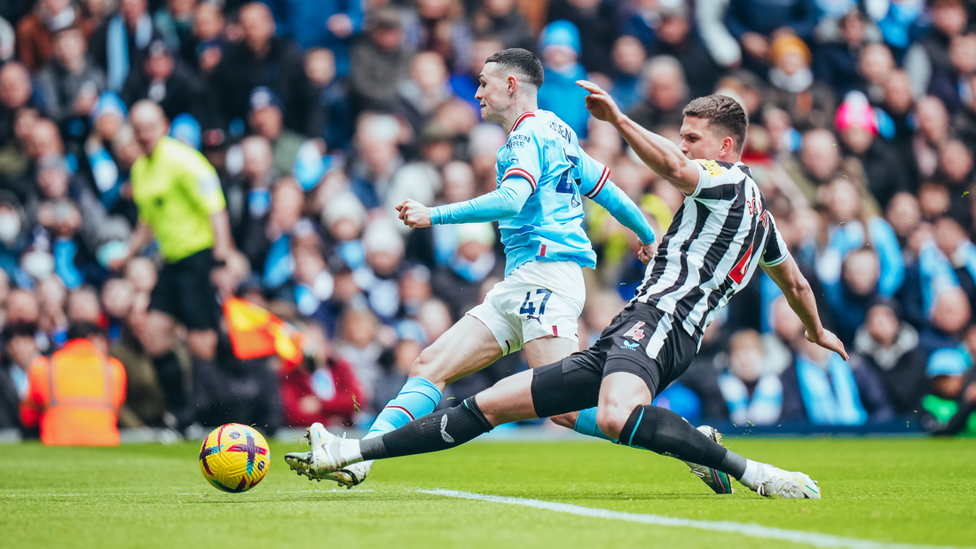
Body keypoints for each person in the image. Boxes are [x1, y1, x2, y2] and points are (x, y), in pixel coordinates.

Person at [287, 87, 849, 499]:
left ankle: (755, 472)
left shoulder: (730, 180)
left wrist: (620, 119)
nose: (685, 145)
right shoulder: (764, 222)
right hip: (634, 327)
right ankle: (348, 451)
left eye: (694, 136)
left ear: (727, 146)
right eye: (682, 134)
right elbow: (795, 282)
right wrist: (814, 328)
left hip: (662, 324)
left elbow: (673, 166)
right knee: (491, 403)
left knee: (611, 416)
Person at [329, 48, 658, 489]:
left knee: (562, 406)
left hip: (547, 276)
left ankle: (684, 442)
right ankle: (359, 456)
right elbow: (608, 190)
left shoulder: (526, 137)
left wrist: (435, 214)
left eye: (484, 83)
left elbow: (511, 199)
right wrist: (647, 234)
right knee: (429, 365)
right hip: (524, 280)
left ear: (511, 85)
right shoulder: (559, 132)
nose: (477, 92)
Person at [113, 100, 235, 429]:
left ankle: (220, 411)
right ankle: (181, 415)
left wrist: (221, 258)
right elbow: (147, 221)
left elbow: (215, 207)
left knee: (202, 343)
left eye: (149, 127)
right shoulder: (141, 169)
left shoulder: (183, 161)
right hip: (171, 260)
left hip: (197, 256)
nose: (144, 134)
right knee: (153, 334)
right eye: (138, 129)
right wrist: (128, 252)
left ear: (163, 126)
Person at [19, 321, 126, 446]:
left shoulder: (43, 366)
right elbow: (117, 410)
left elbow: (28, 417)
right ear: (93, 339)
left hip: (57, 443)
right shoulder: (114, 368)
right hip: (104, 442)